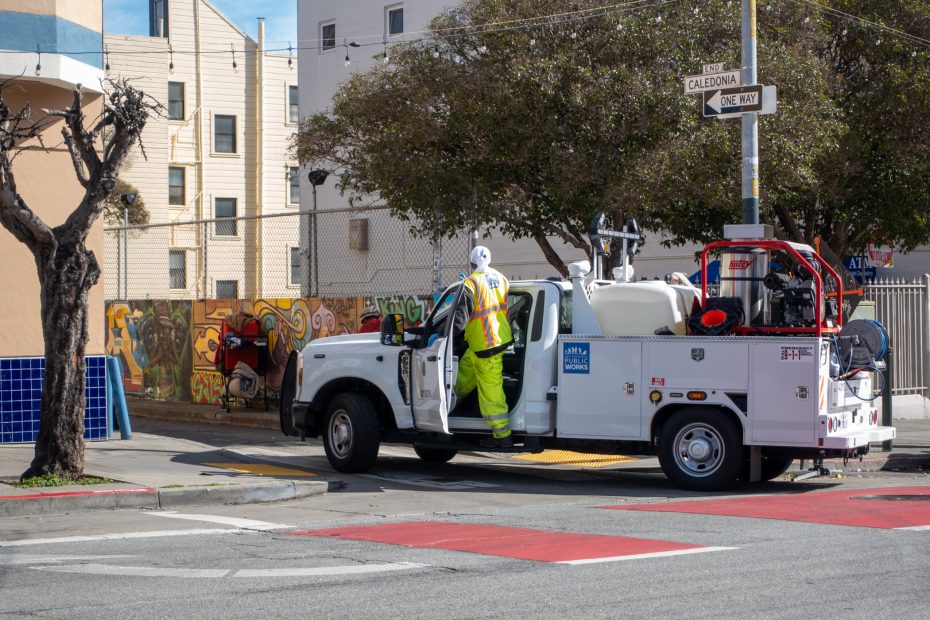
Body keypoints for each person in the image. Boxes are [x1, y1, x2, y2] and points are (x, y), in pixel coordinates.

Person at [454, 245, 514, 448]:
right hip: (495, 339)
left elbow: (460, 316)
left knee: (491, 387)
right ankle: (449, 404)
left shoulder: (471, 283)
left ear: (471, 263)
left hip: (486, 344)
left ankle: (502, 434)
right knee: (465, 370)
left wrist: (444, 337)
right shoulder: (502, 278)